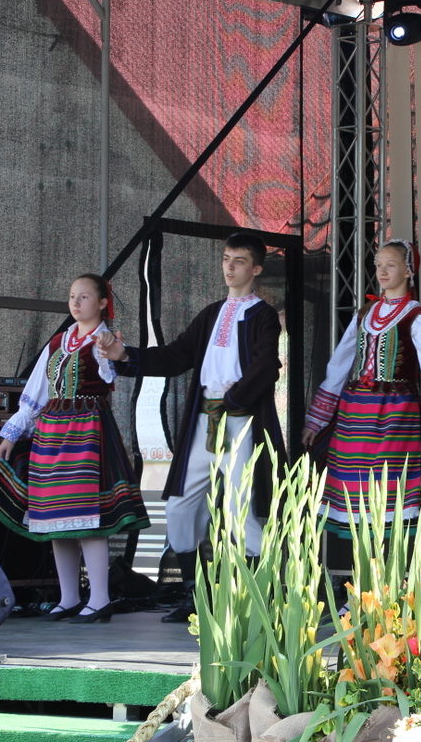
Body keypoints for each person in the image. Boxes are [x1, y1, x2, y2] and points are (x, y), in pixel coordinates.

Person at [98, 232, 285, 622]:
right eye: (226, 259)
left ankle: (258, 597)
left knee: (241, 507)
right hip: (203, 420)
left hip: (241, 422)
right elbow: (175, 356)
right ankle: (194, 594)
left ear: (256, 269)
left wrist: (235, 399)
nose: (229, 267)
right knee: (180, 504)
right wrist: (124, 354)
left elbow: (268, 366)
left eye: (238, 261)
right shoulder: (211, 313)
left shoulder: (263, 315)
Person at [0, 274, 150, 623]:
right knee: (56, 517)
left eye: (84, 297)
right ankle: (69, 597)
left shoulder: (104, 340)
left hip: (87, 430)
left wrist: (109, 351)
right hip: (52, 432)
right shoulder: (59, 341)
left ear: (102, 303)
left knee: (87, 516)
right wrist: (13, 431)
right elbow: (37, 391)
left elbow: (109, 375)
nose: (76, 303)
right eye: (72, 296)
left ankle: (100, 599)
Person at [302, 240, 421, 532]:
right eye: (378, 265)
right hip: (355, 411)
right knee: (355, 481)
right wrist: (317, 419)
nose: (382, 271)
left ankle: (406, 554)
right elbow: (339, 365)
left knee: (390, 480)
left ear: (408, 271)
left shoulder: (417, 316)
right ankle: (365, 557)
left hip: (396, 411)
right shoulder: (365, 313)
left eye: (391, 265)